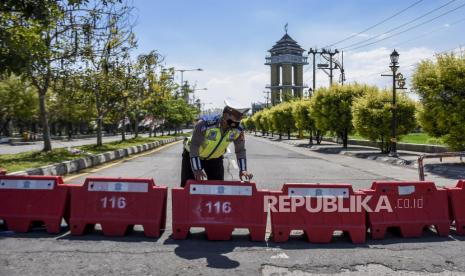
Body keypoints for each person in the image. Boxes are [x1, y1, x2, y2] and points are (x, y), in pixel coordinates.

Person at [181, 98, 254, 187]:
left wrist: (243, 170)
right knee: (188, 187)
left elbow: (240, 150)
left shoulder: (238, 130)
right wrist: (197, 169)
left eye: (240, 118)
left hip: (215, 159)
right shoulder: (205, 124)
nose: (237, 121)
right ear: (225, 115)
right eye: (235, 117)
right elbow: (194, 146)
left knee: (217, 188)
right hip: (192, 156)